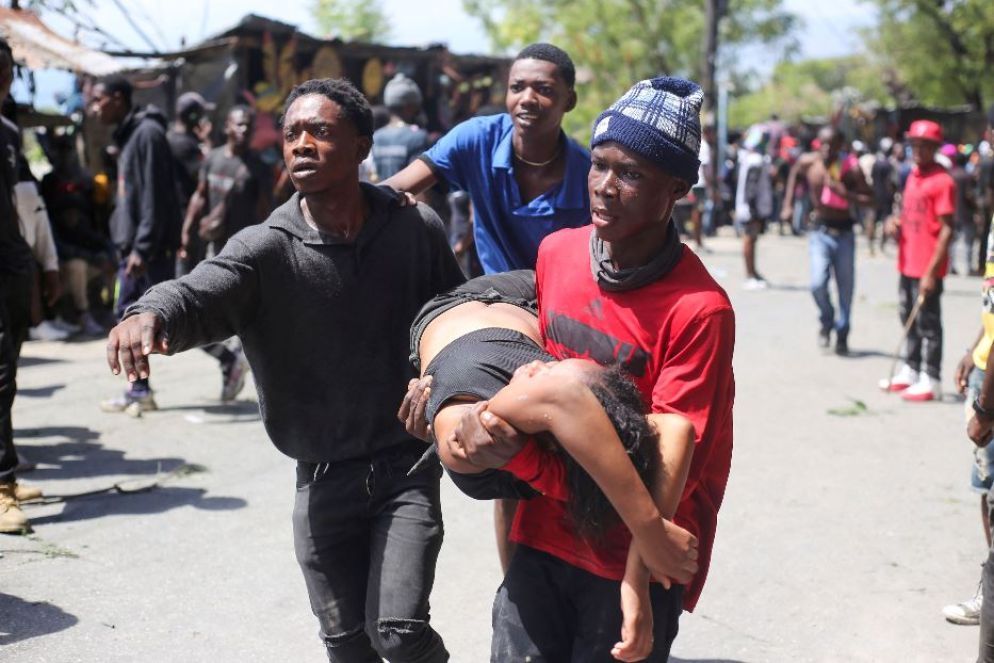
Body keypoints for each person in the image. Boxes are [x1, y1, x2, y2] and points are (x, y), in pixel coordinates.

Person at [105, 77, 465, 662]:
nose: (301, 144)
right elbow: (201, 289)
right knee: (348, 644)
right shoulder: (265, 248)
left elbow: (456, 316)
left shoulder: (413, 228)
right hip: (321, 477)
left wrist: (447, 383)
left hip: (407, 467)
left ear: (362, 147)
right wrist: (148, 311)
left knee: (398, 633)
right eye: (293, 133)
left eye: (321, 131)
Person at [450, 76, 735, 661]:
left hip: (636, 551)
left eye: (631, 174)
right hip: (543, 534)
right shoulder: (558, 253)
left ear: (676, 189)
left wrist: (637, 582)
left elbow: (676, 454)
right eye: (600, 165)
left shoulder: (700, 309)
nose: (605, 186)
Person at [400, 270, 700, 661]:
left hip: (453, 309)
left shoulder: (484, 427)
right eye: (560, 363)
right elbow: (675, 428)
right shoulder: (570, 435)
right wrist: (642, 557)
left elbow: (561, 397)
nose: (543, 364)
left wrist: (644, 546)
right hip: (522, 300)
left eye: (556, 369)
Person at [382, 43, 590, 274]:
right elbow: (393, 188)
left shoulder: (589, 176)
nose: (527, 99)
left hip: (561, 303)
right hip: (495, 298)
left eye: (544, 89)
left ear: (569, 101)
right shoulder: (477, 139)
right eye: (517, 87)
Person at [91, 75, 182, 416]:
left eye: (98, 99)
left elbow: (155, 198)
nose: (93, 107)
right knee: (143, 316)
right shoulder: (131, 136)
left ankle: (140, 389)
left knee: (157, 317)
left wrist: (141, 249)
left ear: (117, 98)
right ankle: (139, 388)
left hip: (146, 250)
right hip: (134, 247)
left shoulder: (147, 135)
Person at [178, 105, 271, 401]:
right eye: (238, 125)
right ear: (227, 127)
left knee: (241, 317)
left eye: (248, 126)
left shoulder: (258, 167)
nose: (243, 131)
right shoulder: (214, 158)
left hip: (245, 255)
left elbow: (266, 211)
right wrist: (186, 230)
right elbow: (200, 195)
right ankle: (229, 359)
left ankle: (238, 362)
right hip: (213, 251)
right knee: (195, 315)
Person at [0, 37, 43, 533]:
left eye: (6, 70)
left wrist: (30, 269)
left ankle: (6, 477)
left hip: (11, 268)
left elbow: (16, 209)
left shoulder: (9, 133)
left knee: (8, 375)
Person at [880, 120, 956, 402]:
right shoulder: (912, 176)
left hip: (928, 265)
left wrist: (932, 271)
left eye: (925, 146)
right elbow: (910, 213)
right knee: (907, 316)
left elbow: (947, 228)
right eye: (914, 145)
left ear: (935, 148)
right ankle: (911, 368)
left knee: (929, 323)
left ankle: (931, 377)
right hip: (907, 261)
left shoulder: (943, 180)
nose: (918, 150)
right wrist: (895, 223)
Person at [781, 126, 873, 356]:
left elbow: (871, 200)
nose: (826, 149)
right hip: (819, 232)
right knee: (817, 284)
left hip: (844, 234)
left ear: (842, 146)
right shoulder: (810, 163)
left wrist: (846, 194)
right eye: (822, 144)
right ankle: (827, 319)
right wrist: (788, 203)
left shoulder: (851, 169)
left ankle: (842, 333)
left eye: (832, 144)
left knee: (845, 290)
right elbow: (794, 173)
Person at [734, 124, 773, 289]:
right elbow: (751, 188)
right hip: (751, 209)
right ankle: (749, 275)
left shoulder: (750, 158)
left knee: (753, 239)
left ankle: (753, 272)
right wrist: (753, 210)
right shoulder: (756, 161)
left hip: (751, 207)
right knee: (749, 239)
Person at [371, 74, 430, 181]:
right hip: (405, 197)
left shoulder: (377, 137)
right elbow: (418, 180)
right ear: (409, 107)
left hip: (379, 196)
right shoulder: (417, 137)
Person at [868, 137, 896, 255]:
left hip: (875, 193)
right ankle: (881, 244)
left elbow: (872, 178)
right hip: (886, 196)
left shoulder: (876, 163)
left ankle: (871, 244)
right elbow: (890, 182)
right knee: (885, 218)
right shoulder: (888, 165)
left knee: (873, 218)